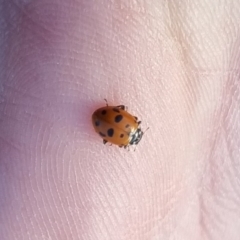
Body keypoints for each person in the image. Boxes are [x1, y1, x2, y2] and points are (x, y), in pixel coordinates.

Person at [1, 1, 239, 239]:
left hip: (103, 116)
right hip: (101, 119)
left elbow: (121, 113)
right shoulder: (124, 137)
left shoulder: (130, 125)